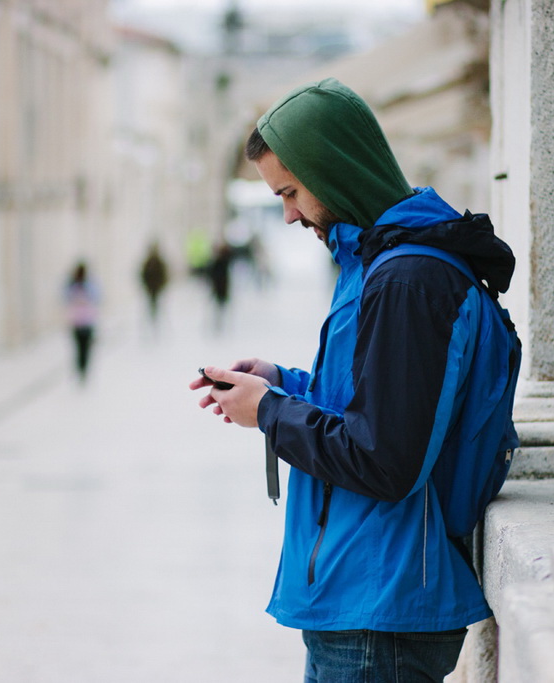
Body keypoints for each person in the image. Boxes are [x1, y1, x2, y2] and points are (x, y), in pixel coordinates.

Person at [189, 78, 517, 682]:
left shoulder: (407, 277)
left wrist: (268, 412)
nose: (287, 214)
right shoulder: (380, 262)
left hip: (379, 606)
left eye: (291, 192)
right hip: (362, 594)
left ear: (334, 172)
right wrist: (281, 382)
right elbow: (378, 402)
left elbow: (384, 457)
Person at [64, 261, 100, 383]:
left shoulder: (82, 286)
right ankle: (82, 369)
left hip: (81, 322)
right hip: (82, 322)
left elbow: (97, 297)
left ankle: (81, 369)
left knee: (81, 348)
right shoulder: (75, 285)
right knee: (82, 348)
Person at [139, 241, 169, 331]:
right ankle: (152, 324)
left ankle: (157, 324)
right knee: (151, 307)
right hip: (151, 288)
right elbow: (143, 275)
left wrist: (162, 285)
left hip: (157, 288)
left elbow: (164, 275)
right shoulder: (148, 263)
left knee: (157, 306)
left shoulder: (159, 262)